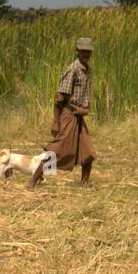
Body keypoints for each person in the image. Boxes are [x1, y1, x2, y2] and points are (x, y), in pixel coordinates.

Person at [31, 37, 98, 187]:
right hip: (68, 115)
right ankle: (33, 180)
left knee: (88, 152)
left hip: (79, 117)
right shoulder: (73, 69)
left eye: (88, 51)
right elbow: (59, 98)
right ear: (77, 51)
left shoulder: (87, 70)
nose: (86, 54)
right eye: (83, 51)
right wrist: (56, 121)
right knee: (58, 150)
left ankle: (84, 184)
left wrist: (85, 109)